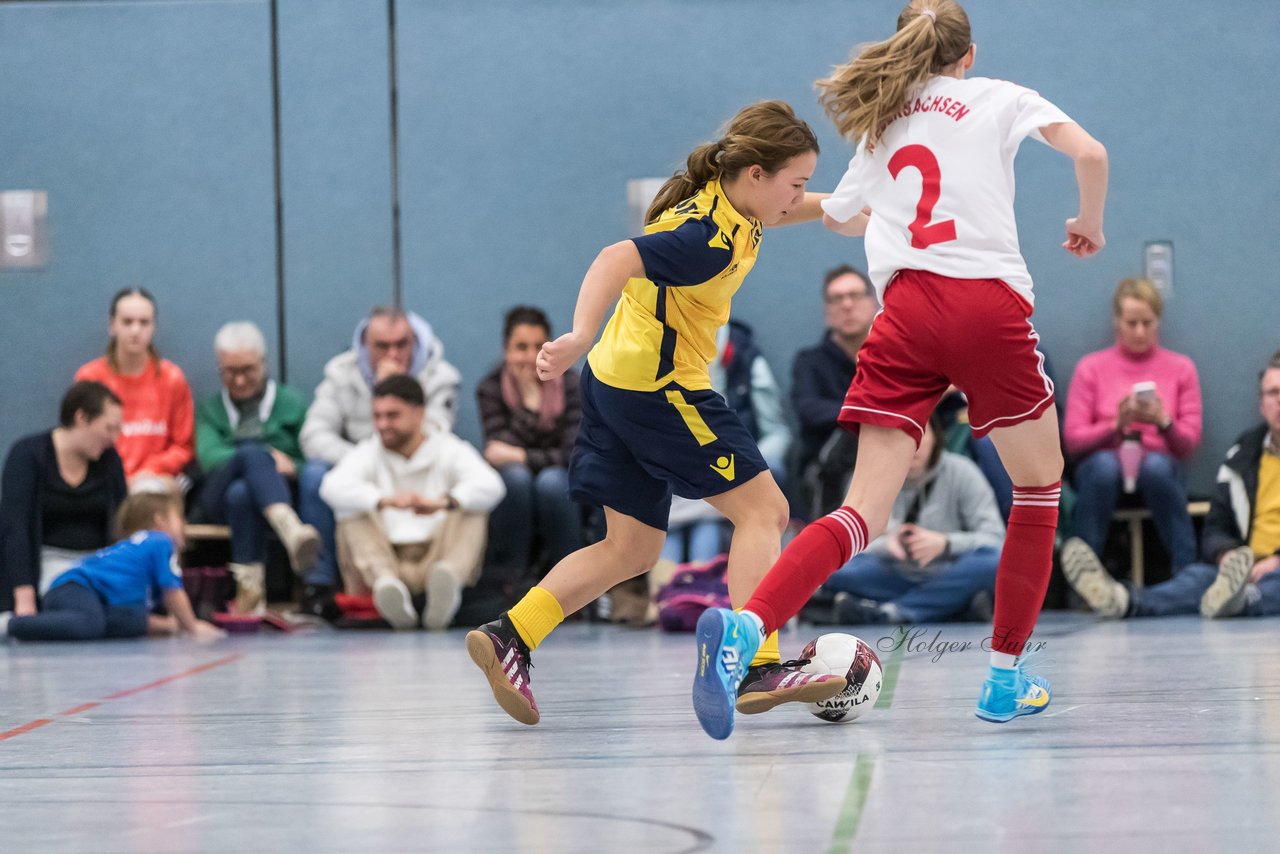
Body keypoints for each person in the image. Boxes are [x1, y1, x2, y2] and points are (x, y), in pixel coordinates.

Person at [692, 0, 1109, 739]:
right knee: (1039, 490)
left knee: (860, 513)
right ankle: (1006, 680)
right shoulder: (1003, 96)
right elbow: (1091, 154)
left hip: (905, 313)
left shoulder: (884, 119)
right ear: (968, 54)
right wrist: (1088, 222)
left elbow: (846, 217)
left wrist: (766, 209)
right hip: (985, 308)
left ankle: (746, 630)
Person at [466, 99, 848, 727]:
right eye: (796, 182)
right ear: (756, 173)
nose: (799, 195)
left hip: (613, 386)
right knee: (766, 511)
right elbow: (616, 257)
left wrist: (850, 205)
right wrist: (579, 333)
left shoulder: (729, 201)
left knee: (632, 549)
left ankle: (513, 635)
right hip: (659, 388)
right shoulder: (706, 239)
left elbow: (798, 210)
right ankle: (757, 664)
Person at [1064, 352, 1280, 620]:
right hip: (1243, 566)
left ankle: (1244, 600)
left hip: (1275, 567)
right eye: (1273, 393)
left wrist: (1276, 561)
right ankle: (1125, 600)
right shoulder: (1243, 455)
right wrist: (1226, 554)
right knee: (1196, 579)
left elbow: (1186, 443)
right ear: (1261, 403)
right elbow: (1216, 526)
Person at [298, 307, 462, 613]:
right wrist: (363, 462)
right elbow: (313, 436)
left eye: (402, 344)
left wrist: (400, 391)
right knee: (315, 475)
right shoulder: (340, 374)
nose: (394, 353)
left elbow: (438, 436)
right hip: (362, 467)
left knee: (465, 491)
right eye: (382, 346)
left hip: (420, 472)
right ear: (363, 345)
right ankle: (318, 586)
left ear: (415, 342)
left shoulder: (441, 376)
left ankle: (439, 585)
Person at [320, 375, 505, 630]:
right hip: (386, 562)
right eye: (377, 416)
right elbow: (330, 486)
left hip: (436, 558)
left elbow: (492, 485)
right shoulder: (368, 452)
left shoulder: (448, 448)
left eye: (393, 415)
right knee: (350, 510)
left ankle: (447, 582)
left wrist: (443, 503)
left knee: (471, 507)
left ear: (419, 413)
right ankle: (386, 588)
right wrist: (382, 501)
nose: (383, 424)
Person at [1062, 277, 1202, 574]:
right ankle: (1084, 577)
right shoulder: (1091, 368)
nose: (1139, 331)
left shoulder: (1181, 368)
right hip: (1105, 468)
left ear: (1158, 322)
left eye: (1147, 323)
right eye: (1131, 322)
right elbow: (1072, 441)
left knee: (1157, 469)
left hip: (1159, 467)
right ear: (1117, 322)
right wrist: (1116, 425)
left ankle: (1187, 573)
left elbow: (1188, 444)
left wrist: (1163, 422)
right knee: (1102, 468)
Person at [821, 414, 1004, 624]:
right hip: (891, 572)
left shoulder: (963, 471)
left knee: (995, 562)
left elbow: (995, 538)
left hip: (949, 570)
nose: (914, 442)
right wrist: (887, 546)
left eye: (921, 432)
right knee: (832, 569)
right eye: (904, 434)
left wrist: (945, 543)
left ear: (936, 437)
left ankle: (891, 611)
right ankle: (950, 605)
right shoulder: (868, 476)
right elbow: (845, 544)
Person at [194, 322, 320, 614]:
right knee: (251, 454)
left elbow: (310, 458)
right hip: (215, 496)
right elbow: (210, 457)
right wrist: (262, 457)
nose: (239, 381)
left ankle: (250, 595)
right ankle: (290, 529)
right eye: (230, 372)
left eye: (247, 370)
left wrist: (293, 466)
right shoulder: (209, 408)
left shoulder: (292, 403)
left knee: (243, 493)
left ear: (264, 364)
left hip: (275, 491)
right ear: (219, 368)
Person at [1, 491, 224, 642]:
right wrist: (193, 627)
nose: (184, 525)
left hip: (79, 595)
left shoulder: (141, 553)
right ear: (160, 520)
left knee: (126, 622)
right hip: (75, 586)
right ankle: (10, 624)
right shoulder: (159, 541)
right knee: (90, 623)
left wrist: (173, 626)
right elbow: (172, 592)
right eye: (179, 518)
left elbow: (135, 620)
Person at [663, 317, 793, 563]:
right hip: (680, 471)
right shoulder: (655, 351)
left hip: (730, 468)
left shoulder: (742, 355)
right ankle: (679, 596)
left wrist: (744, 467)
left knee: (708, 508)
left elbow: (777, 432)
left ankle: (684, 594)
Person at [477, 306, 583, 585]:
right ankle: (509, 583)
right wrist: (529, 406)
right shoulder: (490, 389)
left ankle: (569, 585)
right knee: (515, 478)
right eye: (521, 347)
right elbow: (498, 450)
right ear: (506, 351)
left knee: (551, 482)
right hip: (518, 483)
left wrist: (531, 405)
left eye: (539, 347)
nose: (530, 356)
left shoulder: (573, 386)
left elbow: (572, 455)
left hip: (562, 479)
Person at [1, 381, 127, 614]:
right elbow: (14, 527)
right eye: (109, 428)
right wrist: (24, 598)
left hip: (97, 567)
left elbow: (122, 523)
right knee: (86, 615)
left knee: (129, 619)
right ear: (82, 418)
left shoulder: (109, 461)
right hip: (51, 566)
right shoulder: (28, 455)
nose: (114, 439)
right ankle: (18, 624)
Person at [74, 288, 194, 491]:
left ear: (153, 326)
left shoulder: (172, 378)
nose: (135, 330)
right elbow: (79, 438)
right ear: (112, 325)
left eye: (144, 322)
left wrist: (150, 471)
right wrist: (120, 476)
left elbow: (183, 446)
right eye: (127, 322)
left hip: (155, 482)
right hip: (102, 478)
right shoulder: (89, 378)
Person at [790, 265, 876, 517]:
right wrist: (869, 413)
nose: (847, 305)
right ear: (827, 311)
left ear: (873, 303)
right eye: (837, 298)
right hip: (830, 468)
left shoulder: (893, 356)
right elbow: (809, 410)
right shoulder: (809, 361)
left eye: (855, 295)